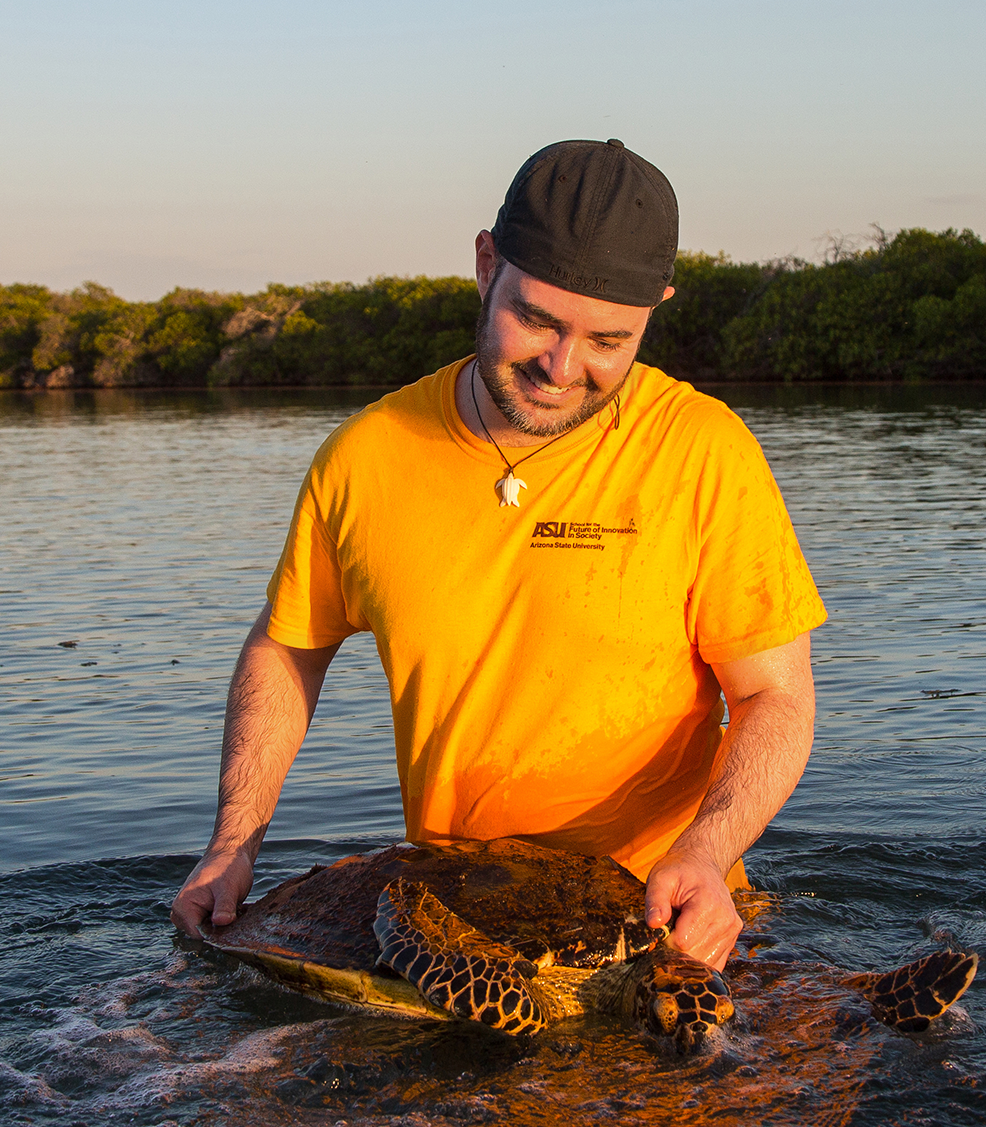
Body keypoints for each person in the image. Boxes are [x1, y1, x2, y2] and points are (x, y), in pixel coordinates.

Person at [171, 139, 826, 969]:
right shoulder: (366, 457)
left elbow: (775, 698)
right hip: (451, 934)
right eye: (538, 320)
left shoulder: (704, 454)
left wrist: (706, 851)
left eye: (607, 341)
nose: (563, 367)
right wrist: (234, 844)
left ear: (656, 308)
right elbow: (288, 646)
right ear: (486, 265)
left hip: (665, 927)